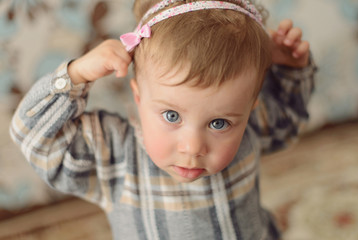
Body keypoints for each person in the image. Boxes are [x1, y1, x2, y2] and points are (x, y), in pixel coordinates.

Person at [10, 0, 316, 239]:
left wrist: (290, 70)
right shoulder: (112, 150)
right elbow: (32, 134)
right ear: (139, 97)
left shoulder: (251, 123)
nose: (193, 147)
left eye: (219, 123)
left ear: (251, 106)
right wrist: (75, 75)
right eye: (172, 116)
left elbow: (287, 124)